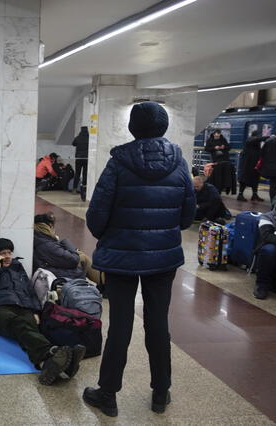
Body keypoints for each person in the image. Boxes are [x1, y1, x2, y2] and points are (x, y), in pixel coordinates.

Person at [83, 102, 195, 417]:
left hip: (121, 257)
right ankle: (161, 393)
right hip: (163, 258)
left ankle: (108, 394)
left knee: (120, 325)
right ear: (163, 127)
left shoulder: (118, 163)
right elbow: (188, 214)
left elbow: (96, 217)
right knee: (158, 323)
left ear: (133, 128)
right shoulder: (179, 162)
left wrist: (112, 234)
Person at [0, 238, 86, 385]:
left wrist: (35, 310)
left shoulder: (17, 266)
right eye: (2, 253)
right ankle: (52, 356)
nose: (7, 256)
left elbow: (29, 291)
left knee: (28, 328)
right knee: (19, 324)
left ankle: (48, 362)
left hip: (23, 307)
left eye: (9, 253)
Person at [33, 213, 86, 279]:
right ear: (50, 226)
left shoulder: (38, 237)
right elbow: (74, 260)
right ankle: (101, 281)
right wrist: (65, 242)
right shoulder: (46, 244)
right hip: (54, 274)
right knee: (83, 258)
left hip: (49, 269)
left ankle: (101, 279)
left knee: (80, 254)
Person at [259, 124, 276, 201]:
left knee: (273, 186)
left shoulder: (268, 140)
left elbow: (262, 153)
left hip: (271, 167)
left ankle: (273, 202)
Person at [237, 130, 266, 201]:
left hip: (254, 165)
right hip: (247, 165)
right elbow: (255, 139)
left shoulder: (256, 143)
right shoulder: (250, 140)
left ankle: (255, 195)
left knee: (255, 179)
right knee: (244, 179)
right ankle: (240, 195)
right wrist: (268, 137)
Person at [72, 126, 89, 200]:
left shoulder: (78, 137)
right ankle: (84, 188)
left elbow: (73, 144)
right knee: (85, 173)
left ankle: (74, 189)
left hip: (78, 158)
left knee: (77, 174)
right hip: (86, 158)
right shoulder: (89, 138)